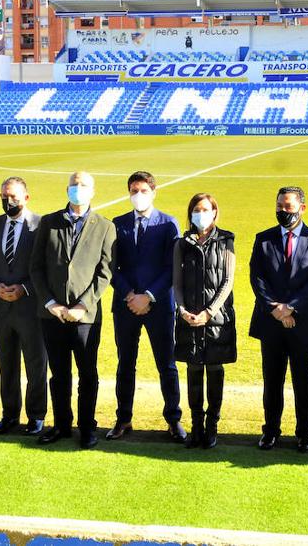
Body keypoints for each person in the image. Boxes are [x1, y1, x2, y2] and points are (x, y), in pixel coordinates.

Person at [29, 171, 116, 449]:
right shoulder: (49, 222)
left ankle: (87, 427)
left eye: (83, 185)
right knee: (59, 374)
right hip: (52, 315)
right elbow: (36, 268)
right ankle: (62, 425)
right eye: (73, 185)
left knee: (87, 373)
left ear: (93, 191)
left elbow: (105, 272)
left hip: (85, 317)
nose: (77, 189)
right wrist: (51, 303)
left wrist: (82, 305)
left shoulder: (104, 226)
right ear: (66, 189)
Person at [249, 185, 308, 453]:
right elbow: (257, 277)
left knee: (303, 378)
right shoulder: (263, 239)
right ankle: (270, 430)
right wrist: (275, 308)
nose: (283, 211)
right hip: (270, 320)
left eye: (289, 206)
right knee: (272, 379)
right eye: (279, 206)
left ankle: (305, 432)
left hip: (303, 322)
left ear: (302, 208)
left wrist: (291, 308)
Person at [108, 171, 185, 443]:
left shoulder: (168, 224)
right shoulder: (117, 224)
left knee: (167, 364)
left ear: (153, 192)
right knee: (125, 364)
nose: (137, 195)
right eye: (133, 190)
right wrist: (129, 294)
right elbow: (111, 265)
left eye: (142, 190)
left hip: (159, 305)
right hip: (126, 305)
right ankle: (123, 419)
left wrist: (149, 296)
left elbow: (171, 267)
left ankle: (174, 420)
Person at [0, 176, 47, 436]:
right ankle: (9, 415)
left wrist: (24, 288)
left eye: (14, 197)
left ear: (26, 198)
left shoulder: (41, 225)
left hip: (31, 308)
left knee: (36, 365)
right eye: (4, 197)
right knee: (6, 365)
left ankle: (36, 416)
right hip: (2, 309)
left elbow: (44, 267)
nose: (9, 201)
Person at [173, 193, 237, 449]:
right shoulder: (181, 244)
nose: (201, 214)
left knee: (214, 369)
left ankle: (212, 426)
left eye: (206, 209)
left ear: (215, 212)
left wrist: (209, 312)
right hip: (189, 318)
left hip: (217, 319)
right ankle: (196, 426)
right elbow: (176, 282)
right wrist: (182, 309)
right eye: (196, 209)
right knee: (193, 369)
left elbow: (227, 281)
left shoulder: (226, 240)